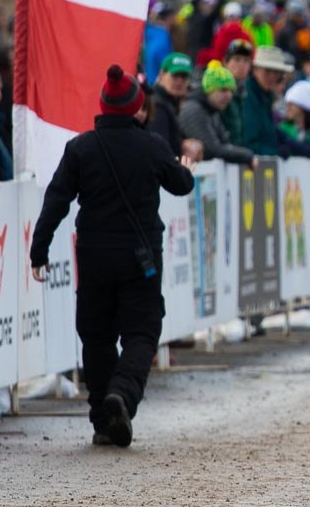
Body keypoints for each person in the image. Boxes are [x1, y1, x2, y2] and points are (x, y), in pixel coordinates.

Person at [30, 65, 195, 448]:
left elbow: (56, 201)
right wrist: (185, 169)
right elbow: (180, 185)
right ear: (136, 107)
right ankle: (121, 393)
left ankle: (103, 420)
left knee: (97, 335)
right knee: (142, 331)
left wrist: (39, 249)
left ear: (103, 106)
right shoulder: (152, 145)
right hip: (142, 258)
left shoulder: (81, 147)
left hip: (93, 255)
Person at [178, 62, 258, 166]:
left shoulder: (212, 110)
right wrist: (247, 156)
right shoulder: (194, 110)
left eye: (231, 91)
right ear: (208, 90)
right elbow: (212, 149)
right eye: (223, 90)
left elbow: (225, 143)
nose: (228, 96)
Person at [150, 52, 192, 156]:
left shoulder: (170, 103)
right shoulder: (158, 106)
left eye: (184, 77)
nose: (179, 81)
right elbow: (160, 149)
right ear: (162, 74)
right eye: (175, 75)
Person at [220, 38, 254, 146]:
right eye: (237, 59)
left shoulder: (247, 92)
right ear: (225, 62)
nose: (242, 65)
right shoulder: (218, 90)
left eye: (246, 61)